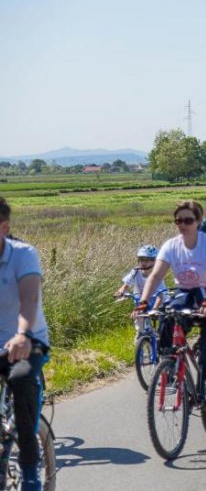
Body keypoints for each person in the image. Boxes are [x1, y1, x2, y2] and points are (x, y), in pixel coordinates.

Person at [136, 200, 206, 435]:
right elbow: (156, 275)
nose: (183, 225)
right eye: (178, 220)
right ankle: (169, 365)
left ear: (198, 222)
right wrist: (143, 301)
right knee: (167, 318)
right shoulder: (171, 245)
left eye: (188, 220)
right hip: (186, 295)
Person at [0, 197, 50, 491]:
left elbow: (29, 300)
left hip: (28, 340)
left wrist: (22, 334)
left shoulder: (23, 255)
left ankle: (30, 467)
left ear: (4, 228)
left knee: (21, 382)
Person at [115, 244, 166, 339]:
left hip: (157, 301)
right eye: (141, 259)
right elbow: (126, 285)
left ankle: (163, 339)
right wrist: (120, 292)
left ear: (155, 261)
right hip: (141, 300)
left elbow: (160, 297)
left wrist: (154, 309)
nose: (143, 263)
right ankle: (141, 337)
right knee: (139, 318)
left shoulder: (157, 275)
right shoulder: (135, 271)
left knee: (163, 322)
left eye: (147, 260)